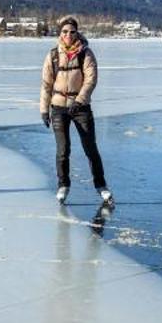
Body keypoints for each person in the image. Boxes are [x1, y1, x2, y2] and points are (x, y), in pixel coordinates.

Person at [40, 15, 113, 206]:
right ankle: (63, 185)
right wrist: (43, 109)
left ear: (77, 32)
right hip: (58, 108)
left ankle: (101, 185)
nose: (68, 35)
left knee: (90, 148)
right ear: (60, 33)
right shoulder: (53, 55)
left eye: (72, 31)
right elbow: (46, 84)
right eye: (65, 31)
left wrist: (79, 100)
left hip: (81, 108)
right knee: (63, 150)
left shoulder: (86, 54)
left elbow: (91, 80)